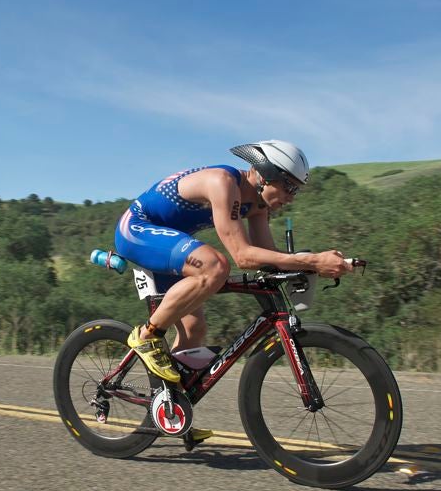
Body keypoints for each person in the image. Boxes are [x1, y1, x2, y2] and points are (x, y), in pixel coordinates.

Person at [113, 140, 353, 444]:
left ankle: (169, 408)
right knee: (215, 266)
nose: (291, 198)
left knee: (194, 330)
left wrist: (311, 264)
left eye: (297, 191)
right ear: (266, 174)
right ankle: (146, 336)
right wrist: (312, 260)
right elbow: (243, 256)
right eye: (289, 188)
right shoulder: (223, 182)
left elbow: (265, 255)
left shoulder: (258, 205)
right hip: (137, 229)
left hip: (170, 242)